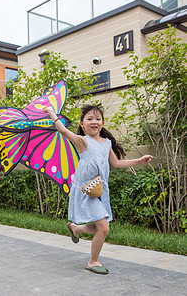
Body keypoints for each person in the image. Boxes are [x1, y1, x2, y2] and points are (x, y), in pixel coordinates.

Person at [43, 104, 153, 275]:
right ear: (82, 124)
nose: (94, 121)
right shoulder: (83, 141)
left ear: (102, 123)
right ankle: (92, 261)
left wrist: (139, 161)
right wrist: (51, 113)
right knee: (103, 228)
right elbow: (63, 131)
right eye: (89, 119)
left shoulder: (107, 143)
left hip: (99, 190)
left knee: (100, 227)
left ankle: (76, 229)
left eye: (97, 119)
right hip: (85, 191)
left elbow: (116, 163)